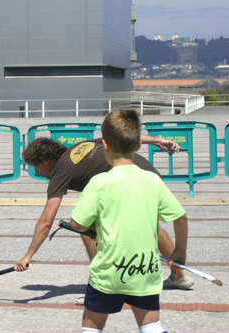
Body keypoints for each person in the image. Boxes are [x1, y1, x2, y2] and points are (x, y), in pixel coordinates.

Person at [14, 118, 194, 292]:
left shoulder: (61, 171)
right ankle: (178, 276)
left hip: (127, 180)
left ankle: (101, 286)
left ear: (46, 159)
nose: (36, 171)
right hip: (148, 173)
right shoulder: (79, 147)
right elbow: (122, 139)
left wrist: (28, 255)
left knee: (85, 228)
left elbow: (46, 220)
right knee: (150, 225)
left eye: (35, 165)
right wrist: (158, 141)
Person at [72, 110, 187, 332]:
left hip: (108, 273)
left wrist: (99, 224)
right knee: (151, 325)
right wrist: (179, 250)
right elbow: (179, 216)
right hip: (145, 271)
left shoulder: (98, 183)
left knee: (91, 327)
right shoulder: (152, 180)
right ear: (138, 146)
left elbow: (77, 224)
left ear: (104, 144)